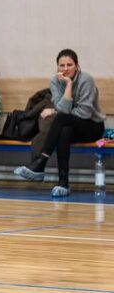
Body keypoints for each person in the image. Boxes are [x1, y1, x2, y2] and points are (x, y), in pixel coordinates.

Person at [15, 49, 105, 197]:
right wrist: (68, 86)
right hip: (70, 125)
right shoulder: (54, 81)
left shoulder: (86, 80)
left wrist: (55, 110)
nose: (65, 68)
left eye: (70, 65)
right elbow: (64, 110)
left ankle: (41, 162)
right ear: (57, 66)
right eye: (62, 65)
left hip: (92, 126)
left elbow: (84, 113)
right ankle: (63, 183)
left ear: (77, 66)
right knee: (64, 130)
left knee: (61, 119)